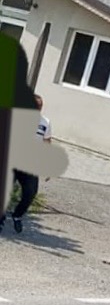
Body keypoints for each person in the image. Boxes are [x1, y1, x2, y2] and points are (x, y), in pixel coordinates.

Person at [1, 94, 51, 234]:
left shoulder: (45, 122)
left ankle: (17, 215)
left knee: (30, 193)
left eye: (40, 106)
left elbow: (47, 143)